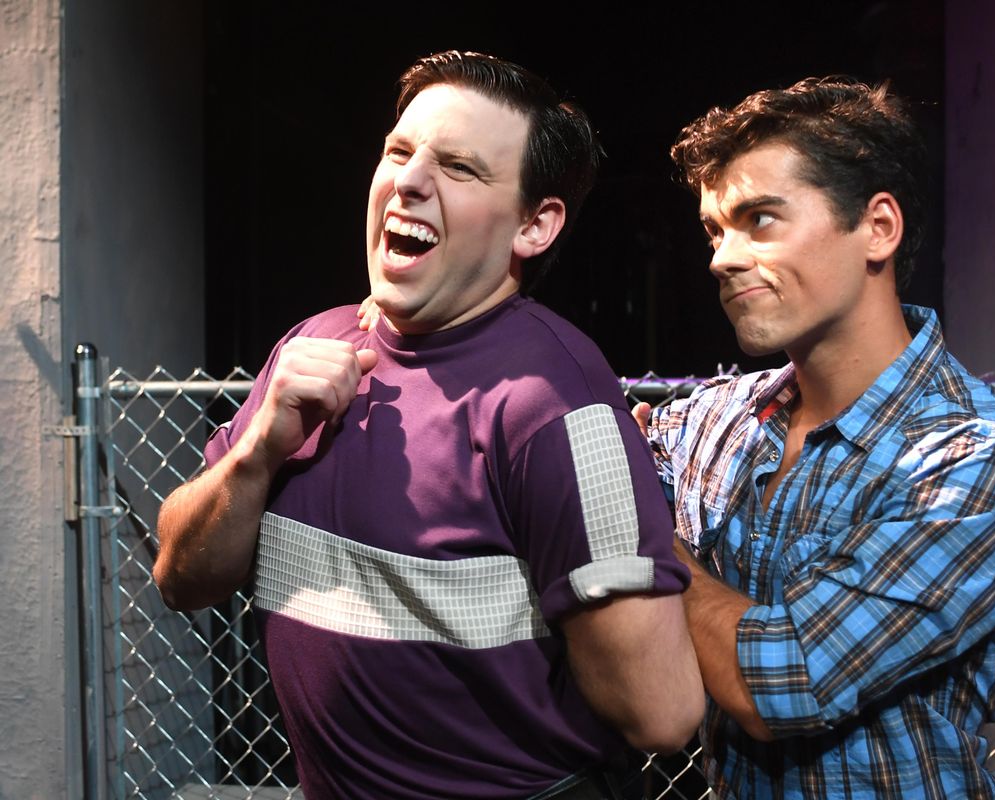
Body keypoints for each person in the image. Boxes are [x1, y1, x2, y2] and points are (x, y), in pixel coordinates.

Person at [154, 51, 704, 800]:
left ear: (535, 226)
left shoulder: (559, 405)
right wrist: (257, 452)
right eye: (399, 151)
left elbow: (663, 712)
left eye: (460, 168)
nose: (409, 181)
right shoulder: (313, 346)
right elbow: (181, 579)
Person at [637, 77, 995, 798]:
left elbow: (784, 682)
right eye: (715, 229)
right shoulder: (712, 419)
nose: (722, 258)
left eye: (760, 219)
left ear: (878, 229)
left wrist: (640, 534)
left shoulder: (976, 454)